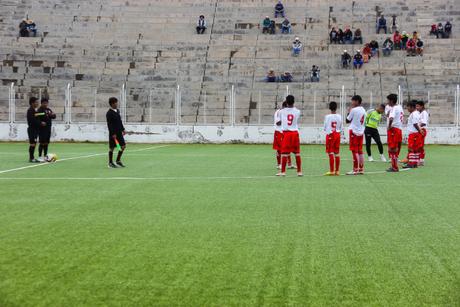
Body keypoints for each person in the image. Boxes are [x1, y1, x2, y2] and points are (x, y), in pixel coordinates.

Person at [276, 95, 302, 177]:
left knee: (284, 153)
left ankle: (283, 172)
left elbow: (278, 122)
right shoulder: (298, 111)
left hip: (286, 133)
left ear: (286, 102)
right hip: (295, 133)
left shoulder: (281, 112)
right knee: (297, 153)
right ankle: (299, 172)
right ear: (294, 102)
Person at [346, 95, 366, 175]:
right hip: (361, 132)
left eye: (353, 101)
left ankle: (355, 169)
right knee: (360, 151)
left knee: (354, 151)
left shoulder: (354, 110)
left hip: (354, 132)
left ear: (357, 101)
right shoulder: (364, 110)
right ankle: (361, 168)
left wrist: (349, 111)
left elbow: (347, 120)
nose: (352, 102)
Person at [106, 97, 126, 168]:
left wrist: (123, 129)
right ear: (112, 104)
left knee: (122, 146)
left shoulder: (117, 111)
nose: (116, 104)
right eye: (115, 102)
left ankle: (118, 161)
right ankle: (110, 163)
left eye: (116, 102)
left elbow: (119, 121)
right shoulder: (109, 113)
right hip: (113, 134)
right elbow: (109, 124)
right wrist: (112, 133)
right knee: (112, 148)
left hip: (119, 133)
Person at [386, 93, 404, 172]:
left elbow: (391, 118)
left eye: (388, 101)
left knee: (392, 148)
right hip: (399, 129)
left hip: (394, 129)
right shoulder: (400, 107)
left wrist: (389, 126)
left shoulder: (393, 108)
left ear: (392, 101)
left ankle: (394, 167)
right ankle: (394, 165)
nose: (388, 102)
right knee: (396, 148)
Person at [323, 101, 342, 176]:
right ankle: (337, 171)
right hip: (337, 134)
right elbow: (340, 126)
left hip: (331, 134)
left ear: (329, 108)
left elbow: (325, 127)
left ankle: (331, 171)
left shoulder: (327, 117)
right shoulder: (339, 116)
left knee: (330, 152)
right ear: (336, 108)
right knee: (337, 153)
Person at [273, 102, 294, 169]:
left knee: (287, 147)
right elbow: (278, 123)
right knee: (279, 149)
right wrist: (284, 120)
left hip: (285, 132)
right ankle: (279, 164)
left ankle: (289, 164)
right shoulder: (279, 112)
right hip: (278, 132)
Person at [403, 101, 423, 169]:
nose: (407, 109)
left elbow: (415, 124)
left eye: (408, 107)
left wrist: (419, 130)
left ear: (412, 107)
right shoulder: (417, 113)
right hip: (415, 133)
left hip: (413, 134)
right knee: (415, 149)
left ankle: (411, 163)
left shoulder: (414, 114)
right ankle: (415, 163)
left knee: (411, 148)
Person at [27, 97, 46, 162]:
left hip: (35, 130)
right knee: (32, 144)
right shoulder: (30, 110)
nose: (37, 103)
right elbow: (33, 120)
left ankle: (32, 158)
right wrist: (41, 123)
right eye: (36, 102)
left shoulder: (34, 110)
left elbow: (36, 117)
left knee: (34, 143)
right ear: (32, 103)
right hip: (32, 130)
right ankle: (31, 158)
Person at [416, 100, 429, 165]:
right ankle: (419, 159)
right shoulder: (419, 113)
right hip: (419, 130)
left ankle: (421, 160)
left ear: (422, 106)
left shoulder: (424, 113)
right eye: (416, 106)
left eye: (418, 106)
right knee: (418, 145)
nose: (417, 108)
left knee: (420, 145)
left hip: (422, 130)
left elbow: (424, 123)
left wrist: (417, 126)